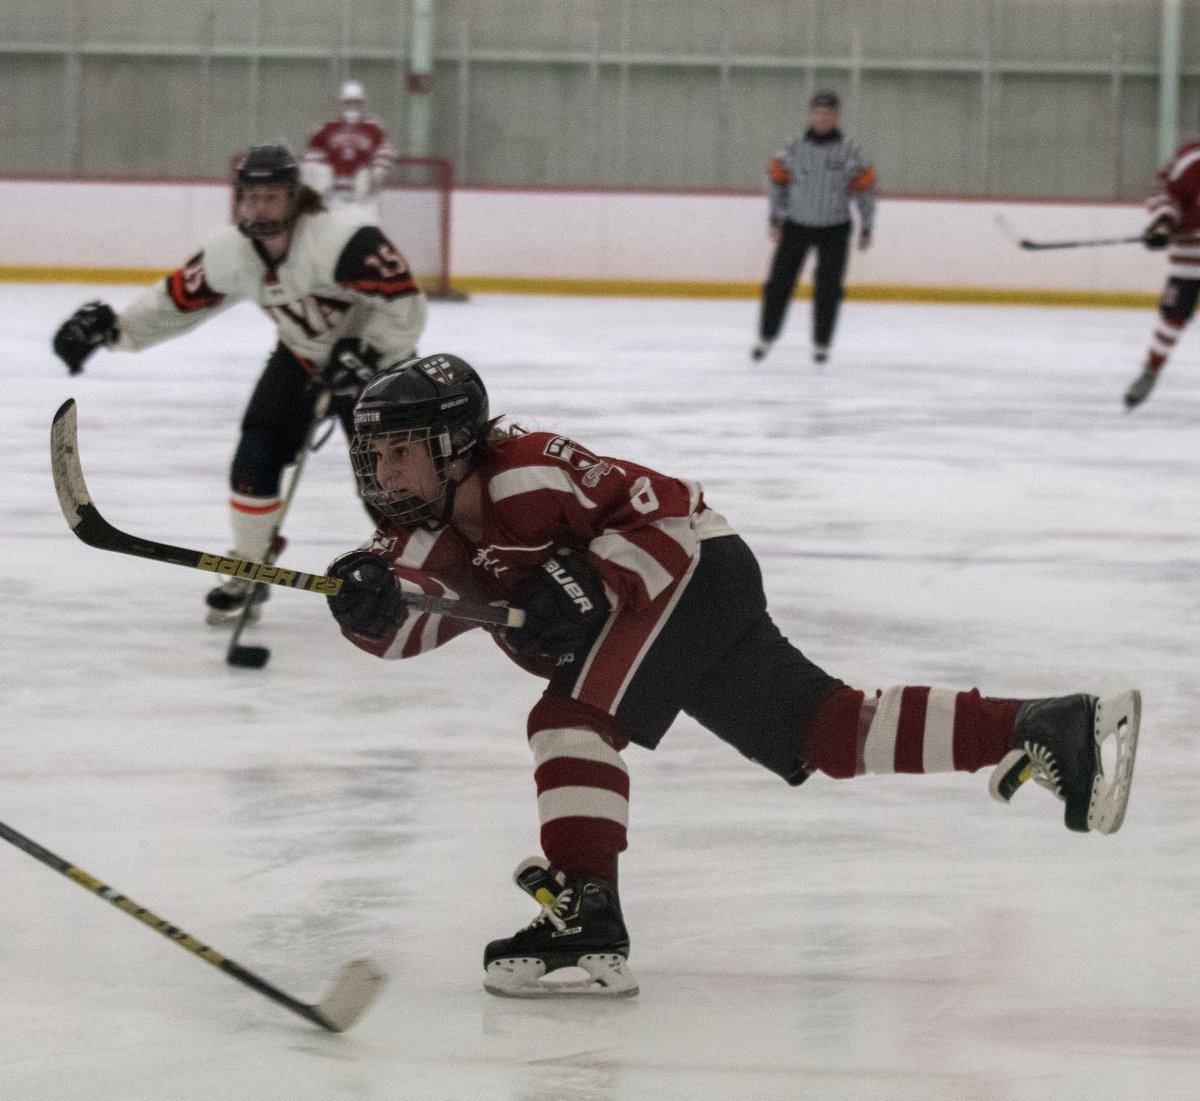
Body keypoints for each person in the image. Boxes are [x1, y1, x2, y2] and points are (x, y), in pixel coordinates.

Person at [320, 352, 1141, 999]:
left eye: (401, 452)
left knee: (570, 720)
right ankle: (1046, 724)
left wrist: (597, 581)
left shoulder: (528, 470)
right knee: (825, 729)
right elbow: (418, 605)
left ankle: (587, 912)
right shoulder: (427, 533)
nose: (385, 473)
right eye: (376, 455)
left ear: (456, 446)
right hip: (678, 597)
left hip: (692, 569)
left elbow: (666, 510)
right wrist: (367, 602)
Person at [51, 143, 427, 624]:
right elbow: (176, 302)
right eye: (251, 197)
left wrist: (369, 351)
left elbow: (405, 305)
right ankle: (250, 570)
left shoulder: (345, 240)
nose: (259, 208)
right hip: (302, 358)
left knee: (386, 481)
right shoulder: (231, 252)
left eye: (272, 197)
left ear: (296, 198)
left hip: (379, 368)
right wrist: (114, 331)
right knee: (255, 456)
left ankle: (429, 572)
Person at [751, 90, 877, 366]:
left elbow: (866, 190)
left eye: (828, 114)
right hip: (797, 224)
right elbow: (776, 182)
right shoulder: (792, 150)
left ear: (837, 117)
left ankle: (822, 343)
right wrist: (775, 218)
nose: (823, 118)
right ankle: (766, 336)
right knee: (778, 285)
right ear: (811, 115)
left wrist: (867, 226)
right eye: (818, 113)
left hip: (835, 227)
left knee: (829, 288)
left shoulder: (851, 152)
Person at [1124, 138, 1200, 409]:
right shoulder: (1191, 161)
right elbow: (1164, 194)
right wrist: (1163, 223)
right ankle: (1151, 371)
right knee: (1173, 317)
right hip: (1190, 258)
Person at [301, 80, 398, 220]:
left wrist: (379, 171)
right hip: (332, 192)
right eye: (348, 102)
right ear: (342, 103)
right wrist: (316, 180)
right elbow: (311, 157)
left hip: (362, 192)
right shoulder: (327, 128)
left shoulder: (374, 128)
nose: (352, 106)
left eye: (355, 102)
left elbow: (386, 151)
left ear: (362, 103)